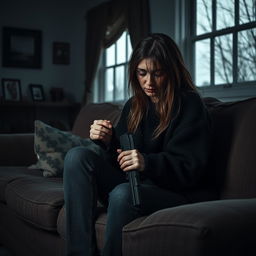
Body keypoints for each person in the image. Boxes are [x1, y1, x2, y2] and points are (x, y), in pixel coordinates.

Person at [63, 33, 215, 256]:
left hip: (174, 192)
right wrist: (108, 141)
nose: (149, 82)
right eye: (142, 73)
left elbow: (189, 169)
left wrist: (146, 162)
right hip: (134, 184)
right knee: (77, 156)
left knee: (123, 194)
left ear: (171, 71)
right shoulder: (134, 105)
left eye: (158, 73)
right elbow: (121, 160)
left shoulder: (190, 105)